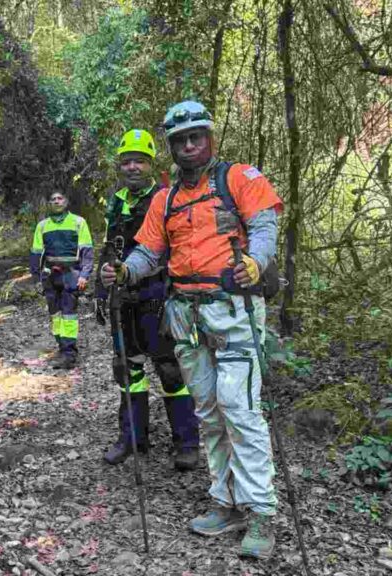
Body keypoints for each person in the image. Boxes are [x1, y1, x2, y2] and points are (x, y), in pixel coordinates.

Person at [100, 101, 284, 559]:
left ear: (209, 138)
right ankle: (226, 502)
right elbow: (148, 252)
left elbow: (265, 226)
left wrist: (254, 261)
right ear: (171, 146)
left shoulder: (239, 178)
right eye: (179, 140)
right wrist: (124, 272)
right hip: (185, 314)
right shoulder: (164, 200)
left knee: (240, 410)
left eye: (195, 136)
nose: (188, 145)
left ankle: (260, 511)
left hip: (234, 310)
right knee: (209, 413)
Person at [96, 129, 200, 471]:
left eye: (139, 161)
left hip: (159, 293)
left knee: (170, 369)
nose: (132, 168)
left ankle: (186, 442)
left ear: (151, 165)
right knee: (127, 368)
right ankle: (132, 438)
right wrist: (101, 287)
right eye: (126, 162)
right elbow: (110, 248)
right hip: (122, 297)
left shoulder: (166, 198)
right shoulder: (116, 201)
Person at [30, 191, 93, 369]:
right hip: (50, 276)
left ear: (66, 201)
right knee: (55, 315)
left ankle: (69, 354)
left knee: (69, 315)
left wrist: (84, 274)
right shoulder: (42, 226)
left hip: (71, 274)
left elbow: (87, 250)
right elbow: (36, 252)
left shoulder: (78, 222)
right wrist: (36, 277)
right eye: (53, 199)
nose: (57, 201)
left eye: (60, 198)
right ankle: (61, 346)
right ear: (49, 203)